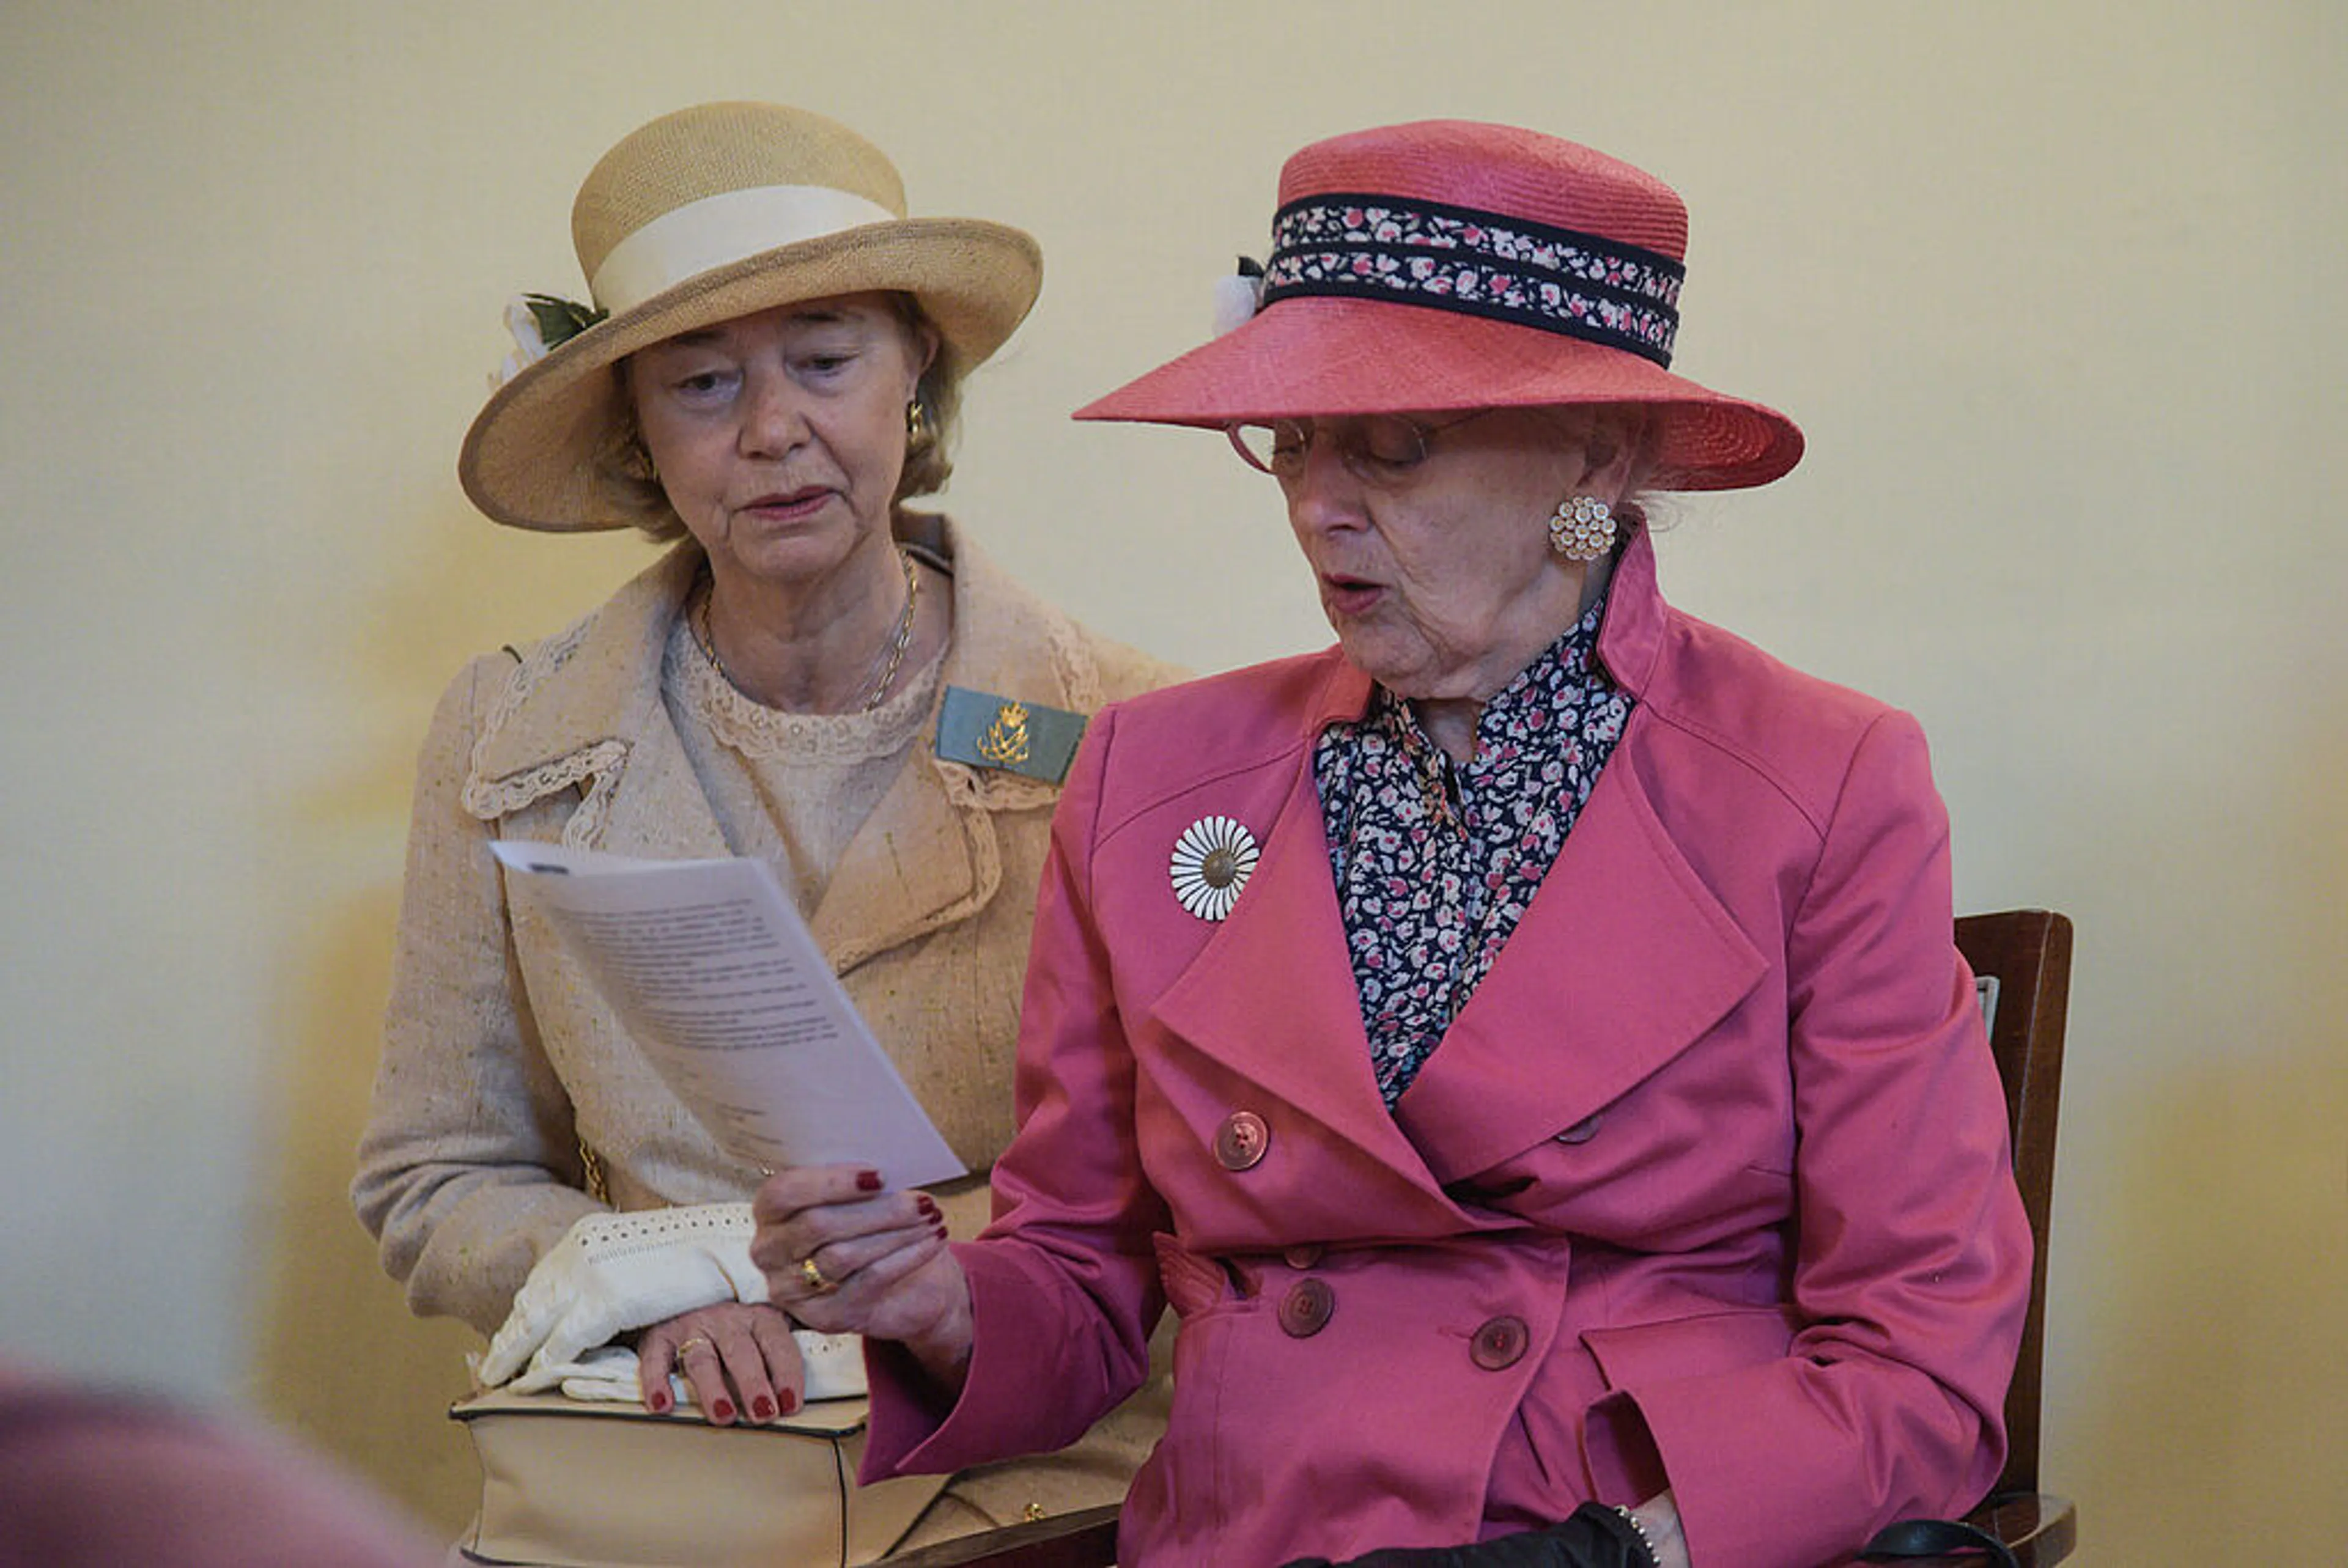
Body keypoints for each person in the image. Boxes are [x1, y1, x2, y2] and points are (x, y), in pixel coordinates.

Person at [748, 120, 2034, 1568]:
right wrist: (935, 1301)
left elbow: (1922, 1360)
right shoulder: (1150, 777)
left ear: (1600, 452)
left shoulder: (1818, 782)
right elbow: (1081, 1280)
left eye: (1395, 449)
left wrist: (1625, 1553)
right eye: (1294, 442)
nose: (1316, 507)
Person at [350, 100, 1180, 1548]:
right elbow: (436, 1173)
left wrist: (949, 1293)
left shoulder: (1125, 724)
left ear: (914, 371)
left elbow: (1202, 1179)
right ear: (637, 432)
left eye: (824, 359)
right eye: (703, 382)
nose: (774, 428)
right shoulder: (505, 735)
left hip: (1040, 1473)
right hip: (686, 1462)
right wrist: (655, 1286)